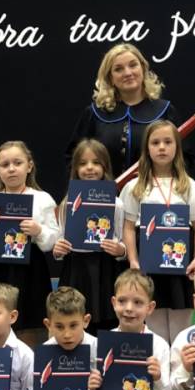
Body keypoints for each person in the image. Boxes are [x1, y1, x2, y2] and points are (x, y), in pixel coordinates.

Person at [120, 120, 195, 342]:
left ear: (177, 147)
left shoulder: (191, 186)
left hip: (181, 266)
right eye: (155, 142)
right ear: (147, 148)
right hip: (147, 267)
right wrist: (133, 261)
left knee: (181, 333)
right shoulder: (134, 187)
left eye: (168, 142)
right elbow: (128, 228)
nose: (162, 147)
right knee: (155, 332)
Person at [0, 141, 58, 345]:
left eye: (17, 163)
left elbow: (54, 238)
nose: (11, 169)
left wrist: (39, 231)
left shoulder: (42, 198)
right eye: (5, 165)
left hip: (29, 270)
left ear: (29, 166)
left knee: (27, 323)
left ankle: (26, 363)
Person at [65, 42, 191, 173]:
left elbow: (184, 159)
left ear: (143, 68)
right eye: (118, 69)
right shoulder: (94, 113)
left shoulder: (165, 111)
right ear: (110, 77)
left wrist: (157, 178)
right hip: (104, 187)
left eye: (133, 65)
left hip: (151, 185)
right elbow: (74, 159)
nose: (127, 73)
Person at [53, 139, 127, 335]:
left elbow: (122, 241)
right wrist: (58, 250)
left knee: (106, 323)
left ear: (105, 167)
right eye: (83, 163)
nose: (89, 168)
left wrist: (120, 250)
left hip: (105, 271)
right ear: (75, 169)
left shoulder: (117, 203)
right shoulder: (66, 204)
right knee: (74, 318)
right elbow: (61, 239)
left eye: (96, 162)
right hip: (76, 270)